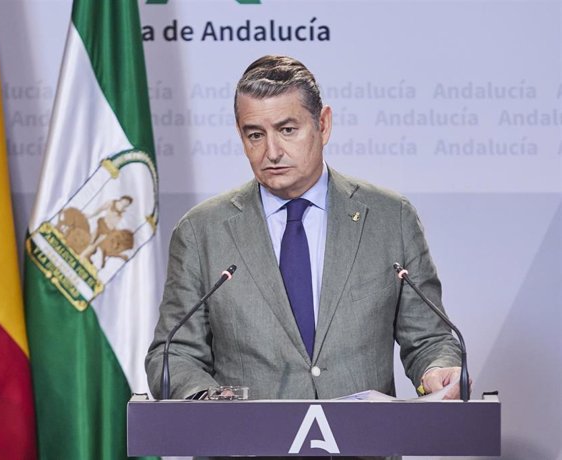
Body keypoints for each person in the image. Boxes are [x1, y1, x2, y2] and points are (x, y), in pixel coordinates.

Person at [146, 55, 463, 416]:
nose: (272, 152)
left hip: (360, 449)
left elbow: (429, 339)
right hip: (247, 450)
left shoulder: (390, 218)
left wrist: (437, 369)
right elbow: (172, 354)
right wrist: (212, 403)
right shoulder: (202, 231)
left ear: (323, 125)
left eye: (287, 129)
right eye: (255, 135)